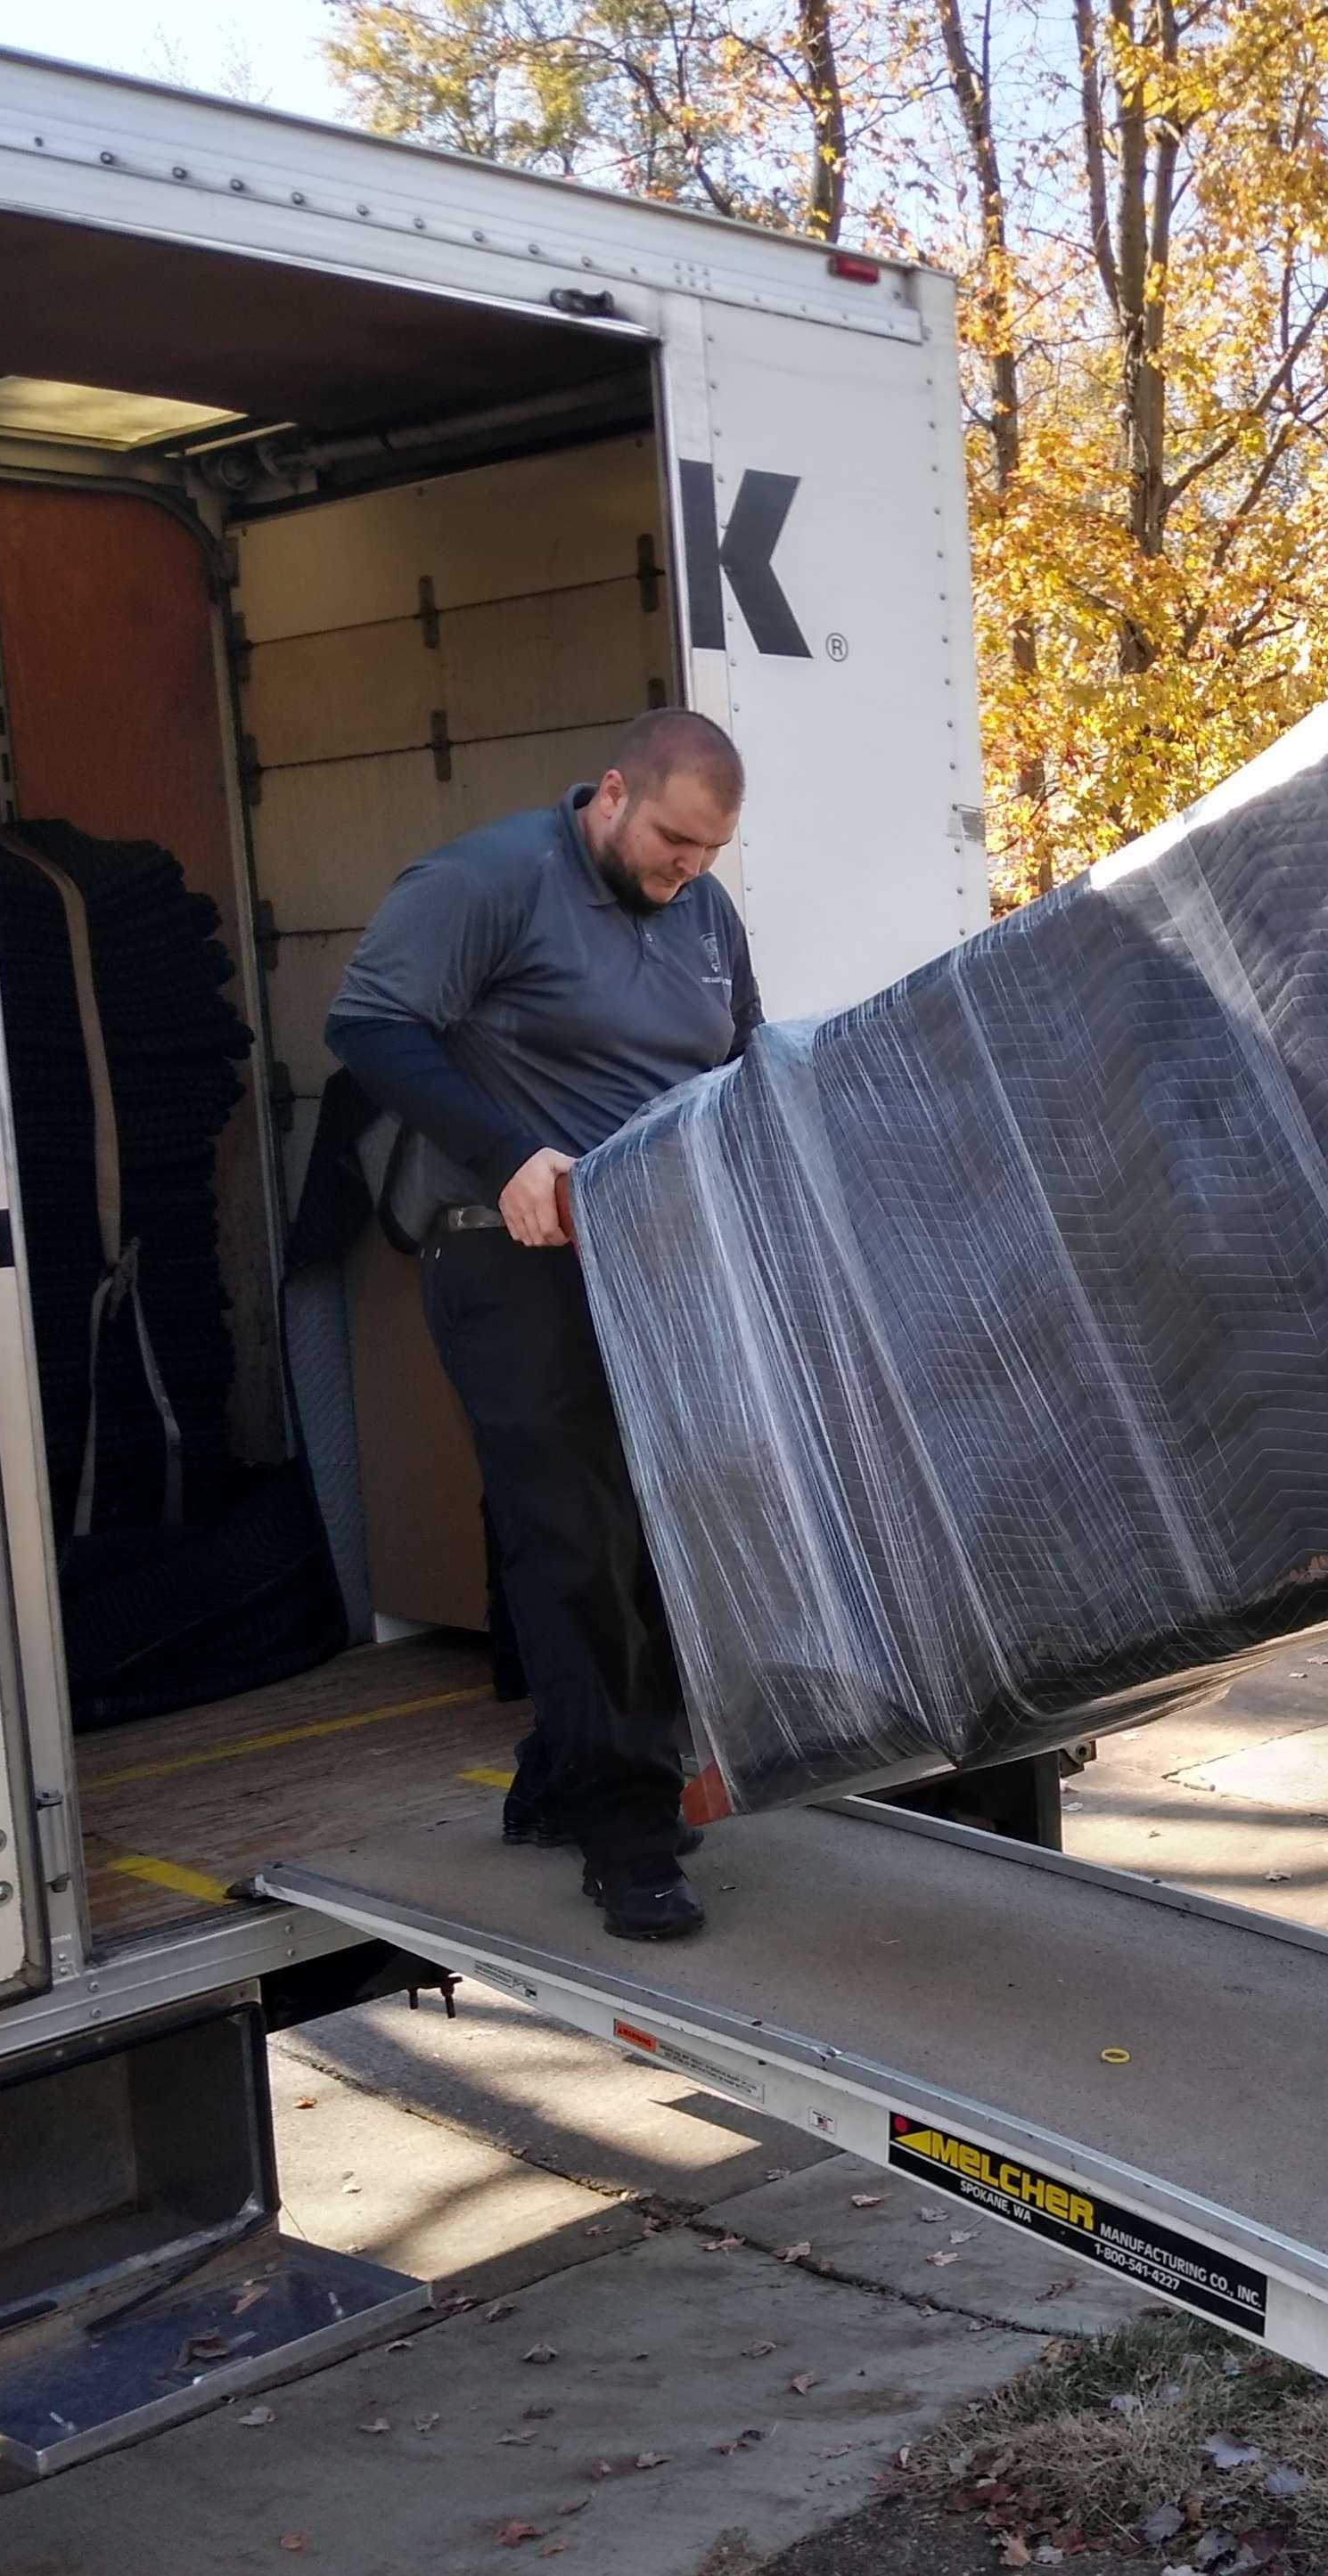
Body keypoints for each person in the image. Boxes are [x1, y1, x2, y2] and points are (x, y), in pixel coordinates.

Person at [326, 710, 763, 1942]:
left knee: (654, 1535)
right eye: (674, 840)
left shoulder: (701, 910)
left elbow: (737, 1058)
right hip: (513, 1257)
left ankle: (566, 1783)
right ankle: (628, 1839)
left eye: (710, 854)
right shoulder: (488, 880)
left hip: (654, 1258)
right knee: (574, 1538)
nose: (689, 870)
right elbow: (367, 1031)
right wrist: (510, 1152)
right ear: (612, 794)